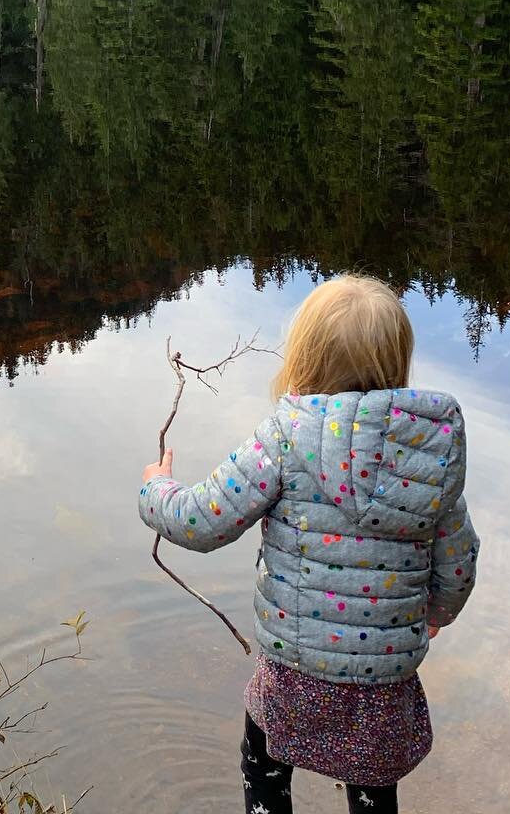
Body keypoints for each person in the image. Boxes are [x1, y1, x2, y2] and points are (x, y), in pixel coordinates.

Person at [138, 275, 479, 814]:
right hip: (383, 681)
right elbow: (459, 564)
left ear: (305, 358)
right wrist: (436, 614)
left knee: (265, 770)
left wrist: (155, 488)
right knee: (373, 790)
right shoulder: (428, 460)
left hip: (294, 670)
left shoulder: (284, 436)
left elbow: (202, 521)